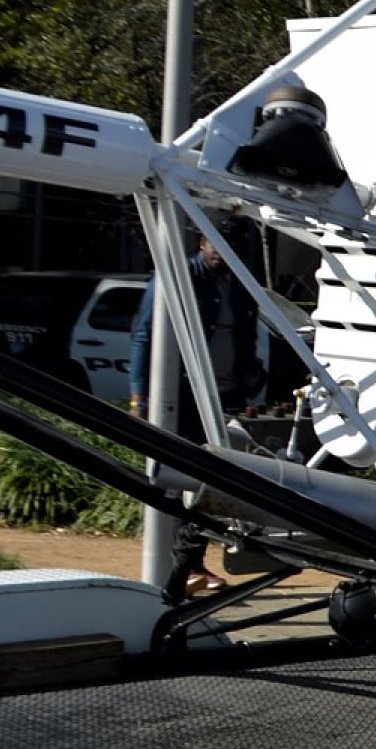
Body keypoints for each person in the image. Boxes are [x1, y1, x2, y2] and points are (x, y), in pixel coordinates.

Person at [128, 217, 266, 595]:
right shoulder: (178, 277)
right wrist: (140, 397)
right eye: (215, 243)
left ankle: (193, 562)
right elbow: (144, 334)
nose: (222, 252)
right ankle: (178, 565)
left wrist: (253, 378)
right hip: (185, 395)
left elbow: (247, 336)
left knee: (214, 481)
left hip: (226, 395)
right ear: (202, 240)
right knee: (182, 479)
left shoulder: (239, 285)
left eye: (230, 246)